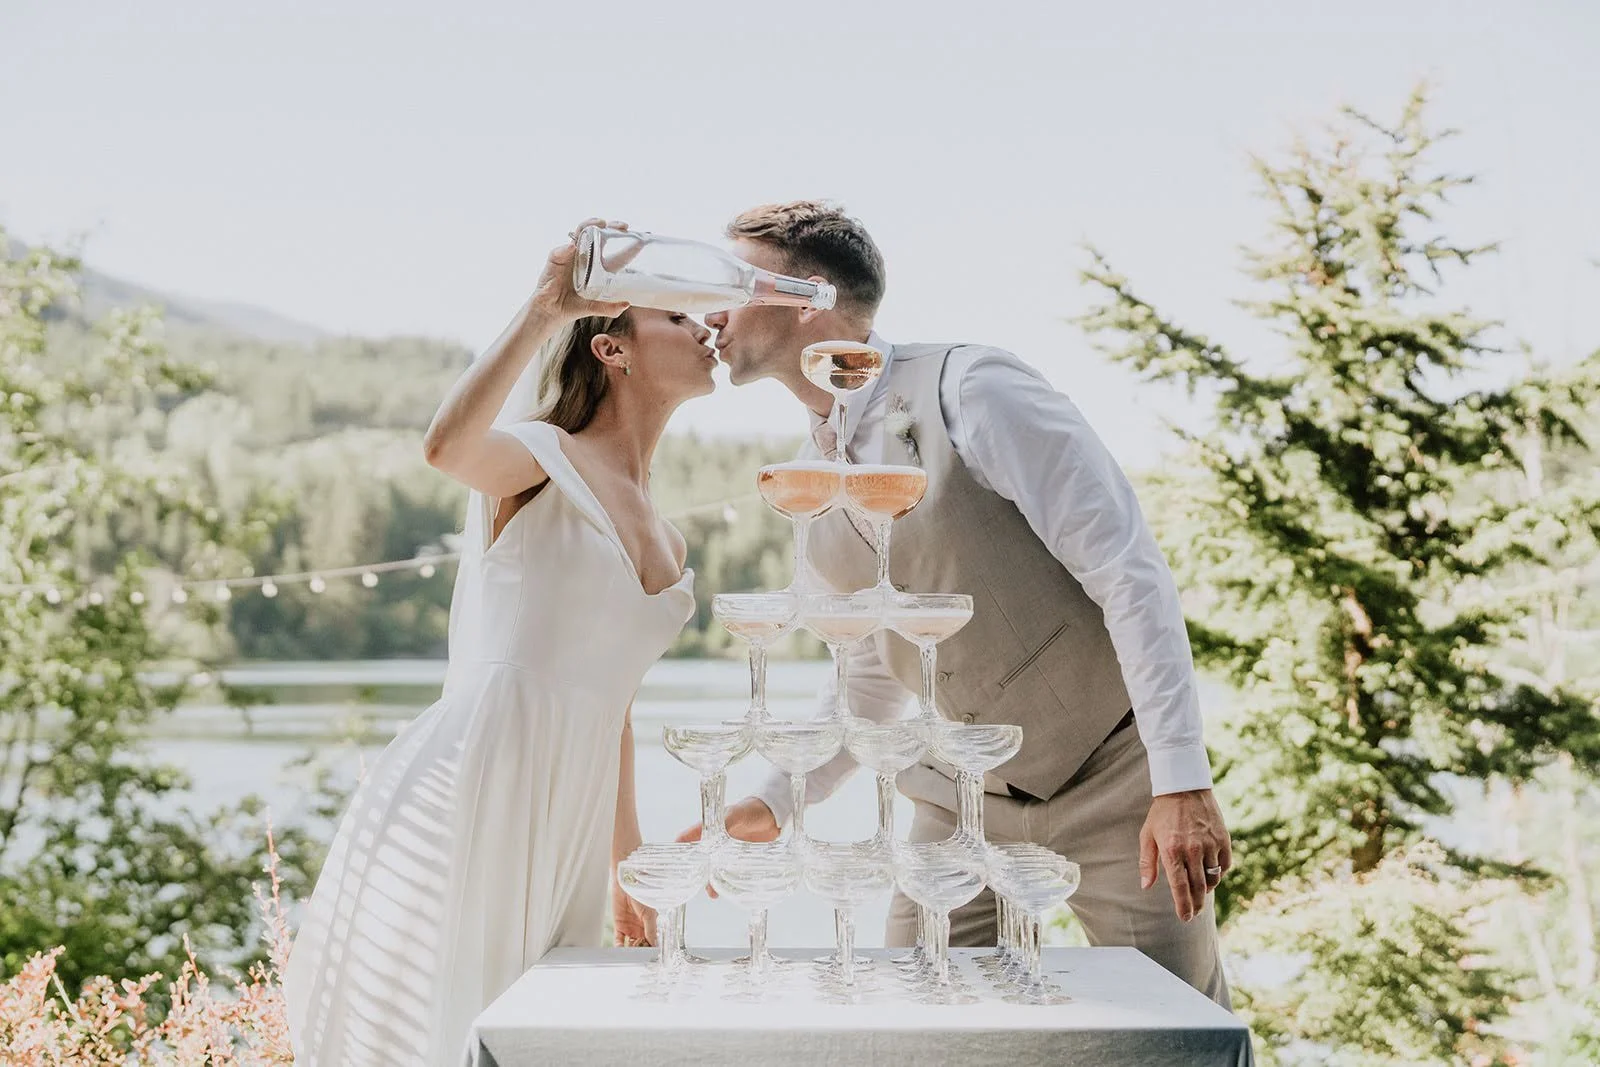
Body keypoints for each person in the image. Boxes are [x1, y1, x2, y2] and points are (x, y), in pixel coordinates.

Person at [679, 200, 1233, 1006]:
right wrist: (776, 798)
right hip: (956, 800)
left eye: (733, 281)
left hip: (1116, 779)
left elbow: (1129, 572)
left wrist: (1180, 781)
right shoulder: (811, 479)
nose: (711, 310)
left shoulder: (973, 388)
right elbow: (872, 675)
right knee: (915, 1020)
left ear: (813, 299)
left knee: (1181, 1030)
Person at [284, 219, 717, 1065]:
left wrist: (626, 864)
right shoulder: (541, 458)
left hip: (573, 807)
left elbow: (615, 705)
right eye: (677, 318)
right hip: (480, 780)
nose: (706, 327)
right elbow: (445, 447)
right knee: (455, 1030)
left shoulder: (671, 538)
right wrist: (543, 307)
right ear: (612, 349)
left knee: (538, 1040)